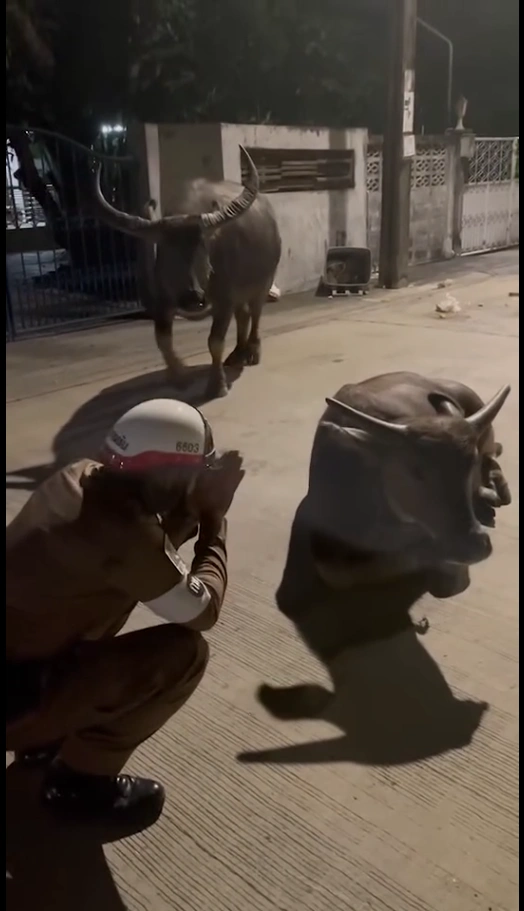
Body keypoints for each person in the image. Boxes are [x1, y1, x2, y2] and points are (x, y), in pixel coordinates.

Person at [6, 399, 245, 825]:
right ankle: (78, 785)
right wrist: (214, 522)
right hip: (15, 701)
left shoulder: (78, 478)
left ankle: (44, 738)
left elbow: (146, 549)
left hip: (16, 669)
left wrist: (189, 506)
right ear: (174, 473)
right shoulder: (123, 534)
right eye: (196, 471)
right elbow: (202, 610)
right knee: (183, 655)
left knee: (98, 605)